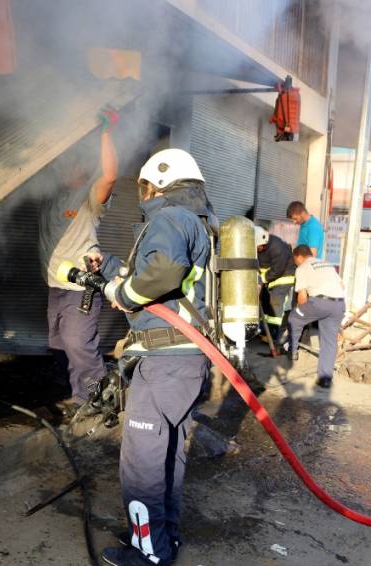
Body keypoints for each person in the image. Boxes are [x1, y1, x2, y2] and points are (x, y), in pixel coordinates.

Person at [100, 148, 215, 566]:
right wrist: (111, 269)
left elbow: (163, 272)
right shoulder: (197, 221)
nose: (143, 193)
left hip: (165, 361)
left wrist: (124, 295)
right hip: (184, 362)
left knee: (143, 461)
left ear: (160, 184)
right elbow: (162, 278)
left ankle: (147, 553)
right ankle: (165, 540)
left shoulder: (169, 218)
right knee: (169, 454)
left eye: (145, 186)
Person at [38, 107, 119, 414]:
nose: (65, 167)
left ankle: (95, 401)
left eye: (72, 162)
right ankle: (80, 394)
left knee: (79, 346)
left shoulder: (89, 200)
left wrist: (106, 133)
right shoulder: (50, 197)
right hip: (55, 288)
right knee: (62, 345)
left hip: (78, 290)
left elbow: (110, 175)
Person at [288, 245, 345, 389]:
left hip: (320, 302)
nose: (295, 262)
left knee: (294, 318)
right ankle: (325, 379)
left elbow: (302, 297)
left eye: (295, 259)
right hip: (339, 304)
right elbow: (341, 285)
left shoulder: (301, 268)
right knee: (329, 341)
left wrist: (301, 312)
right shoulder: (326, 263)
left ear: (299, 256)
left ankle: (292, 351)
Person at [254, 226, 295, 344]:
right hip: (270, 280)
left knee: (275, 305)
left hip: (283, 279)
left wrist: (262, 279)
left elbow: (278, 269)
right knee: (266, 305)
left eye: (258, 247)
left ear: (263, 241)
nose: (257, 249)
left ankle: (274, 335)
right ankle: (265, 331)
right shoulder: (259, 248)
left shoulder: (277, 248)